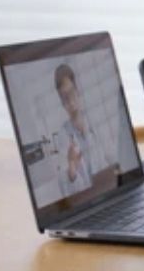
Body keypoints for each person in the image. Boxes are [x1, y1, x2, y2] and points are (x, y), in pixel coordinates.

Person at [53, 63, 109, 197]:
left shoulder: (95, 122)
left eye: (72, 93)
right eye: (65, 97)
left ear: (77, 91)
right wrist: (72, 165)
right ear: (61, 102)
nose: (70, 101)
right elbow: (67, 188)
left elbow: (109, 160)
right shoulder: (62, 136)